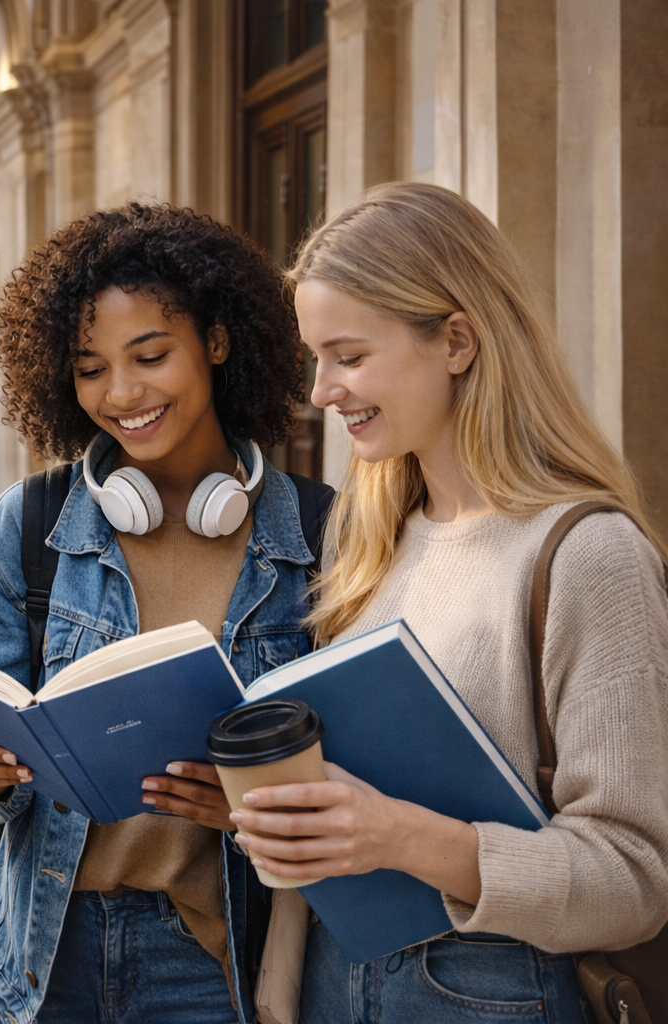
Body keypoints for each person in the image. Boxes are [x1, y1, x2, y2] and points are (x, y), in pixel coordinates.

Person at [232, 182, 668, 1022]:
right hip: (335, 979)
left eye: (348, 356)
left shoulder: (588, 555)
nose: (321, 392)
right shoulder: (367, 534)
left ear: (458, 341)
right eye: (314, 358)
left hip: (494, 993)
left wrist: (401, 837)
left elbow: (635, 879)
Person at [0, 204, 325, 1023]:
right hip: (40, 950)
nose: (122, 394)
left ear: (216, 340)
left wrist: (251, 806)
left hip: (212, 959)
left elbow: (357, 773)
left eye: (150, 355)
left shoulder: (322, 538)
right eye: (90, 367)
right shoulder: (29, 526)